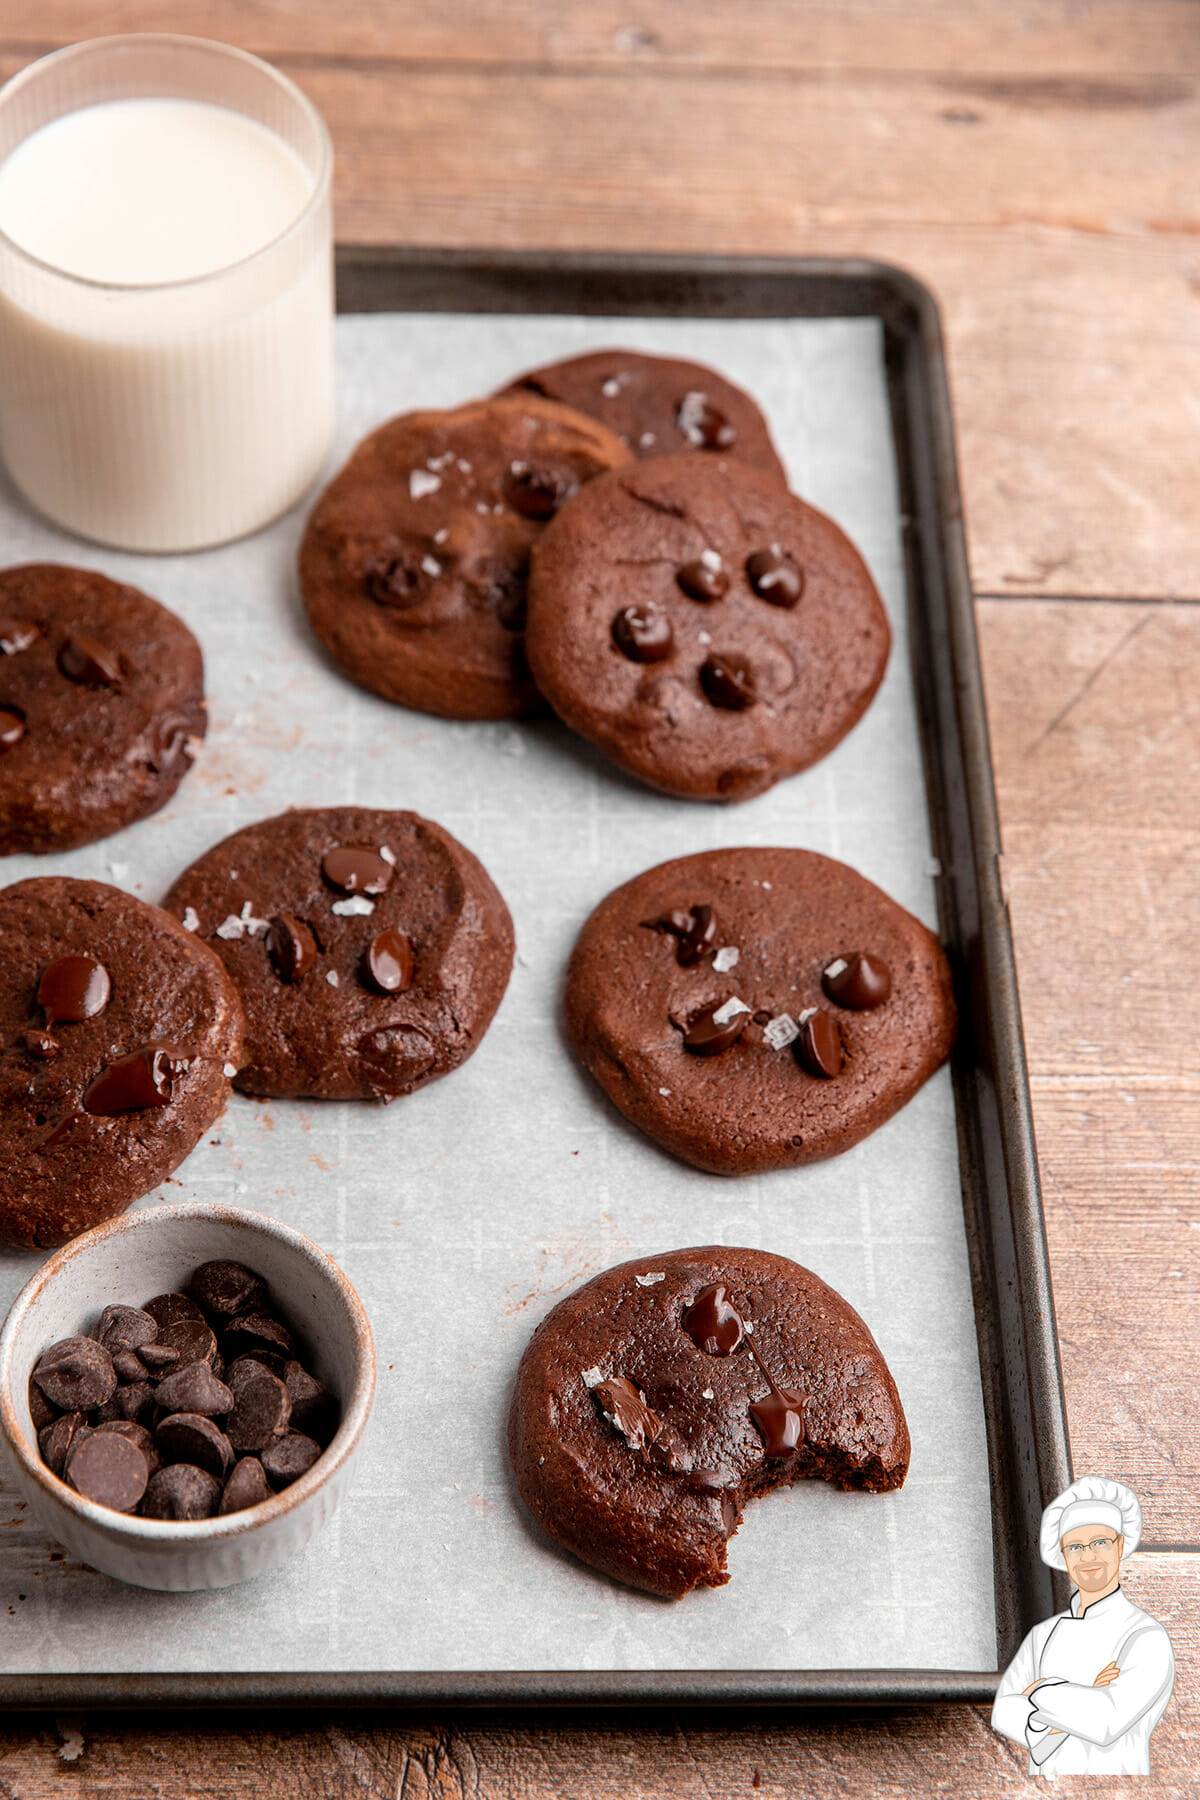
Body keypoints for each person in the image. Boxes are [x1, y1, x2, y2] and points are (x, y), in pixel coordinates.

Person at [992, 1476, 1174, 1776]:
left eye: (1099, 1543)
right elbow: (1003, 1712)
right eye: (1075, 1546)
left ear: (1120, 1546)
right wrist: (1085, 1690)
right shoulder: (1042, 1633)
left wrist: (1040, 1689)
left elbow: (1106, 1722)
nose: (1088, 1556)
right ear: (1063, 1554)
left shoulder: (1145, 1636)